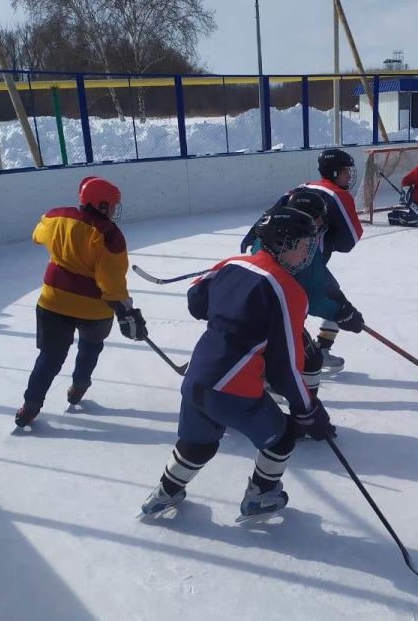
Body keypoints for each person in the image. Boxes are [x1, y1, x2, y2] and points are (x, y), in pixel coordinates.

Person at [140, 206, 335, 520]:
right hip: (234, 389)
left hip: (197, 378)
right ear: (283, 244)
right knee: (282, 438)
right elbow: (286, 366)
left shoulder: (231, 263)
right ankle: (260, 496)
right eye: (303, 244)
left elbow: (195, 300)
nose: (307, 251)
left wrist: (230, 314)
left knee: (198, 443)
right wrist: (306, 408)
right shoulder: (289, 291)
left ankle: (164, 493)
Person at [14, 176, 147, 427]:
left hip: (52, 302)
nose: (115, 210)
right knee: (90, 347)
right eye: (113, 205)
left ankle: (30, 405)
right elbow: (112, 283)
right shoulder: (110, 237)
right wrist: (124, 308)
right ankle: (79, 387)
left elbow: (37, 235)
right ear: (102, 205)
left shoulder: (57, 216)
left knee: (50, 356)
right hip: (93, 310)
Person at [241, 185, 365, 386]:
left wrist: (340, 307)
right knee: (305, 358)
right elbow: (309, 296)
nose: (320, 222)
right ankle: (279, 389)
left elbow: (313, 283)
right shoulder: (295, 246)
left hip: (273, 306)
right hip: (272, 312)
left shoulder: (289, 238)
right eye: (317, 217)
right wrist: (339, 313)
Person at [302, 148, 364, 371]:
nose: (350, 175)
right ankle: (292, 362)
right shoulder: (338, 195)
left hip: (274, 258)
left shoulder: (302, 187)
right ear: (335, 172)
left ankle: (316, 352)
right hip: (307, 264)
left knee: (287, 310)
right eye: (346, 171)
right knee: (338, 306)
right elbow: (350, 240)